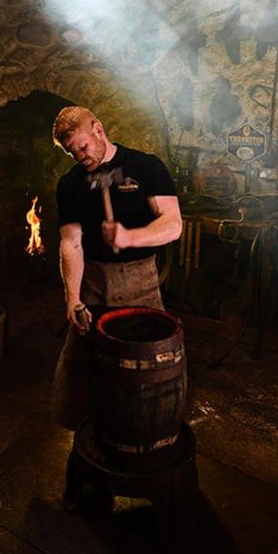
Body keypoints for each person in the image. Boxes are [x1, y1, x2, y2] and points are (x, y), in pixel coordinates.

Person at [51, 105, 182, 430]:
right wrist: (72, 298)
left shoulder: (145, 166)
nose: (79, 156)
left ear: (97, 128)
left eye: (81, 146)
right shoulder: (70, 184)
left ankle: (146, 431)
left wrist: (130, 236)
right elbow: (71, 243)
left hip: (142, 286)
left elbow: (173, 224)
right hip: (93, 288)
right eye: (71, 152)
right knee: (81, 377)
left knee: (148, 374)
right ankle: (90, 437)